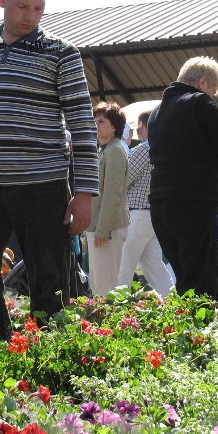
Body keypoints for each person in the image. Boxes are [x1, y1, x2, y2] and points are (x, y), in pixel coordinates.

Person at [0, 0, 99, 341]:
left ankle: (51, 358)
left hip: (44, 183)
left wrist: (84, 194)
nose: (30, 16)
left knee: (48, 278)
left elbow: (83, 124)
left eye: (38, 8)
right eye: (22, 7)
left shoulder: (62, 54)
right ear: (2, 1)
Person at [147, 56, 218, 301]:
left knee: (183, 276)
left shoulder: (156, 113)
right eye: (213, 91)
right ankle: (198, 335)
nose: (212, 96)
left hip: (161, 201)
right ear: (203, 82)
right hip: (195, 199)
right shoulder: (198, 102)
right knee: (200, 278)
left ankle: (181, 331)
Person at [118, 110, 175, 298]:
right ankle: (175, 304)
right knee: (154, 268)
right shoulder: (168, 147)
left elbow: (124, 178)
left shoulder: (146, 147)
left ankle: (114, 308)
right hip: (155, 215)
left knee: (124, 266)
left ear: (145, 125)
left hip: (139, 213)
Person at [84, 102, 129, 296]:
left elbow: (113, 194)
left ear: (114, 126)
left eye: (101, 121)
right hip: (98, 227)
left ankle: (110, 326)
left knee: (107, 287)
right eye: (94, 120)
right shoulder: (104, 149)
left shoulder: (115, 150)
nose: (96, 124)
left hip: (107, 229)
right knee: (98, 284)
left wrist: (103, 230)